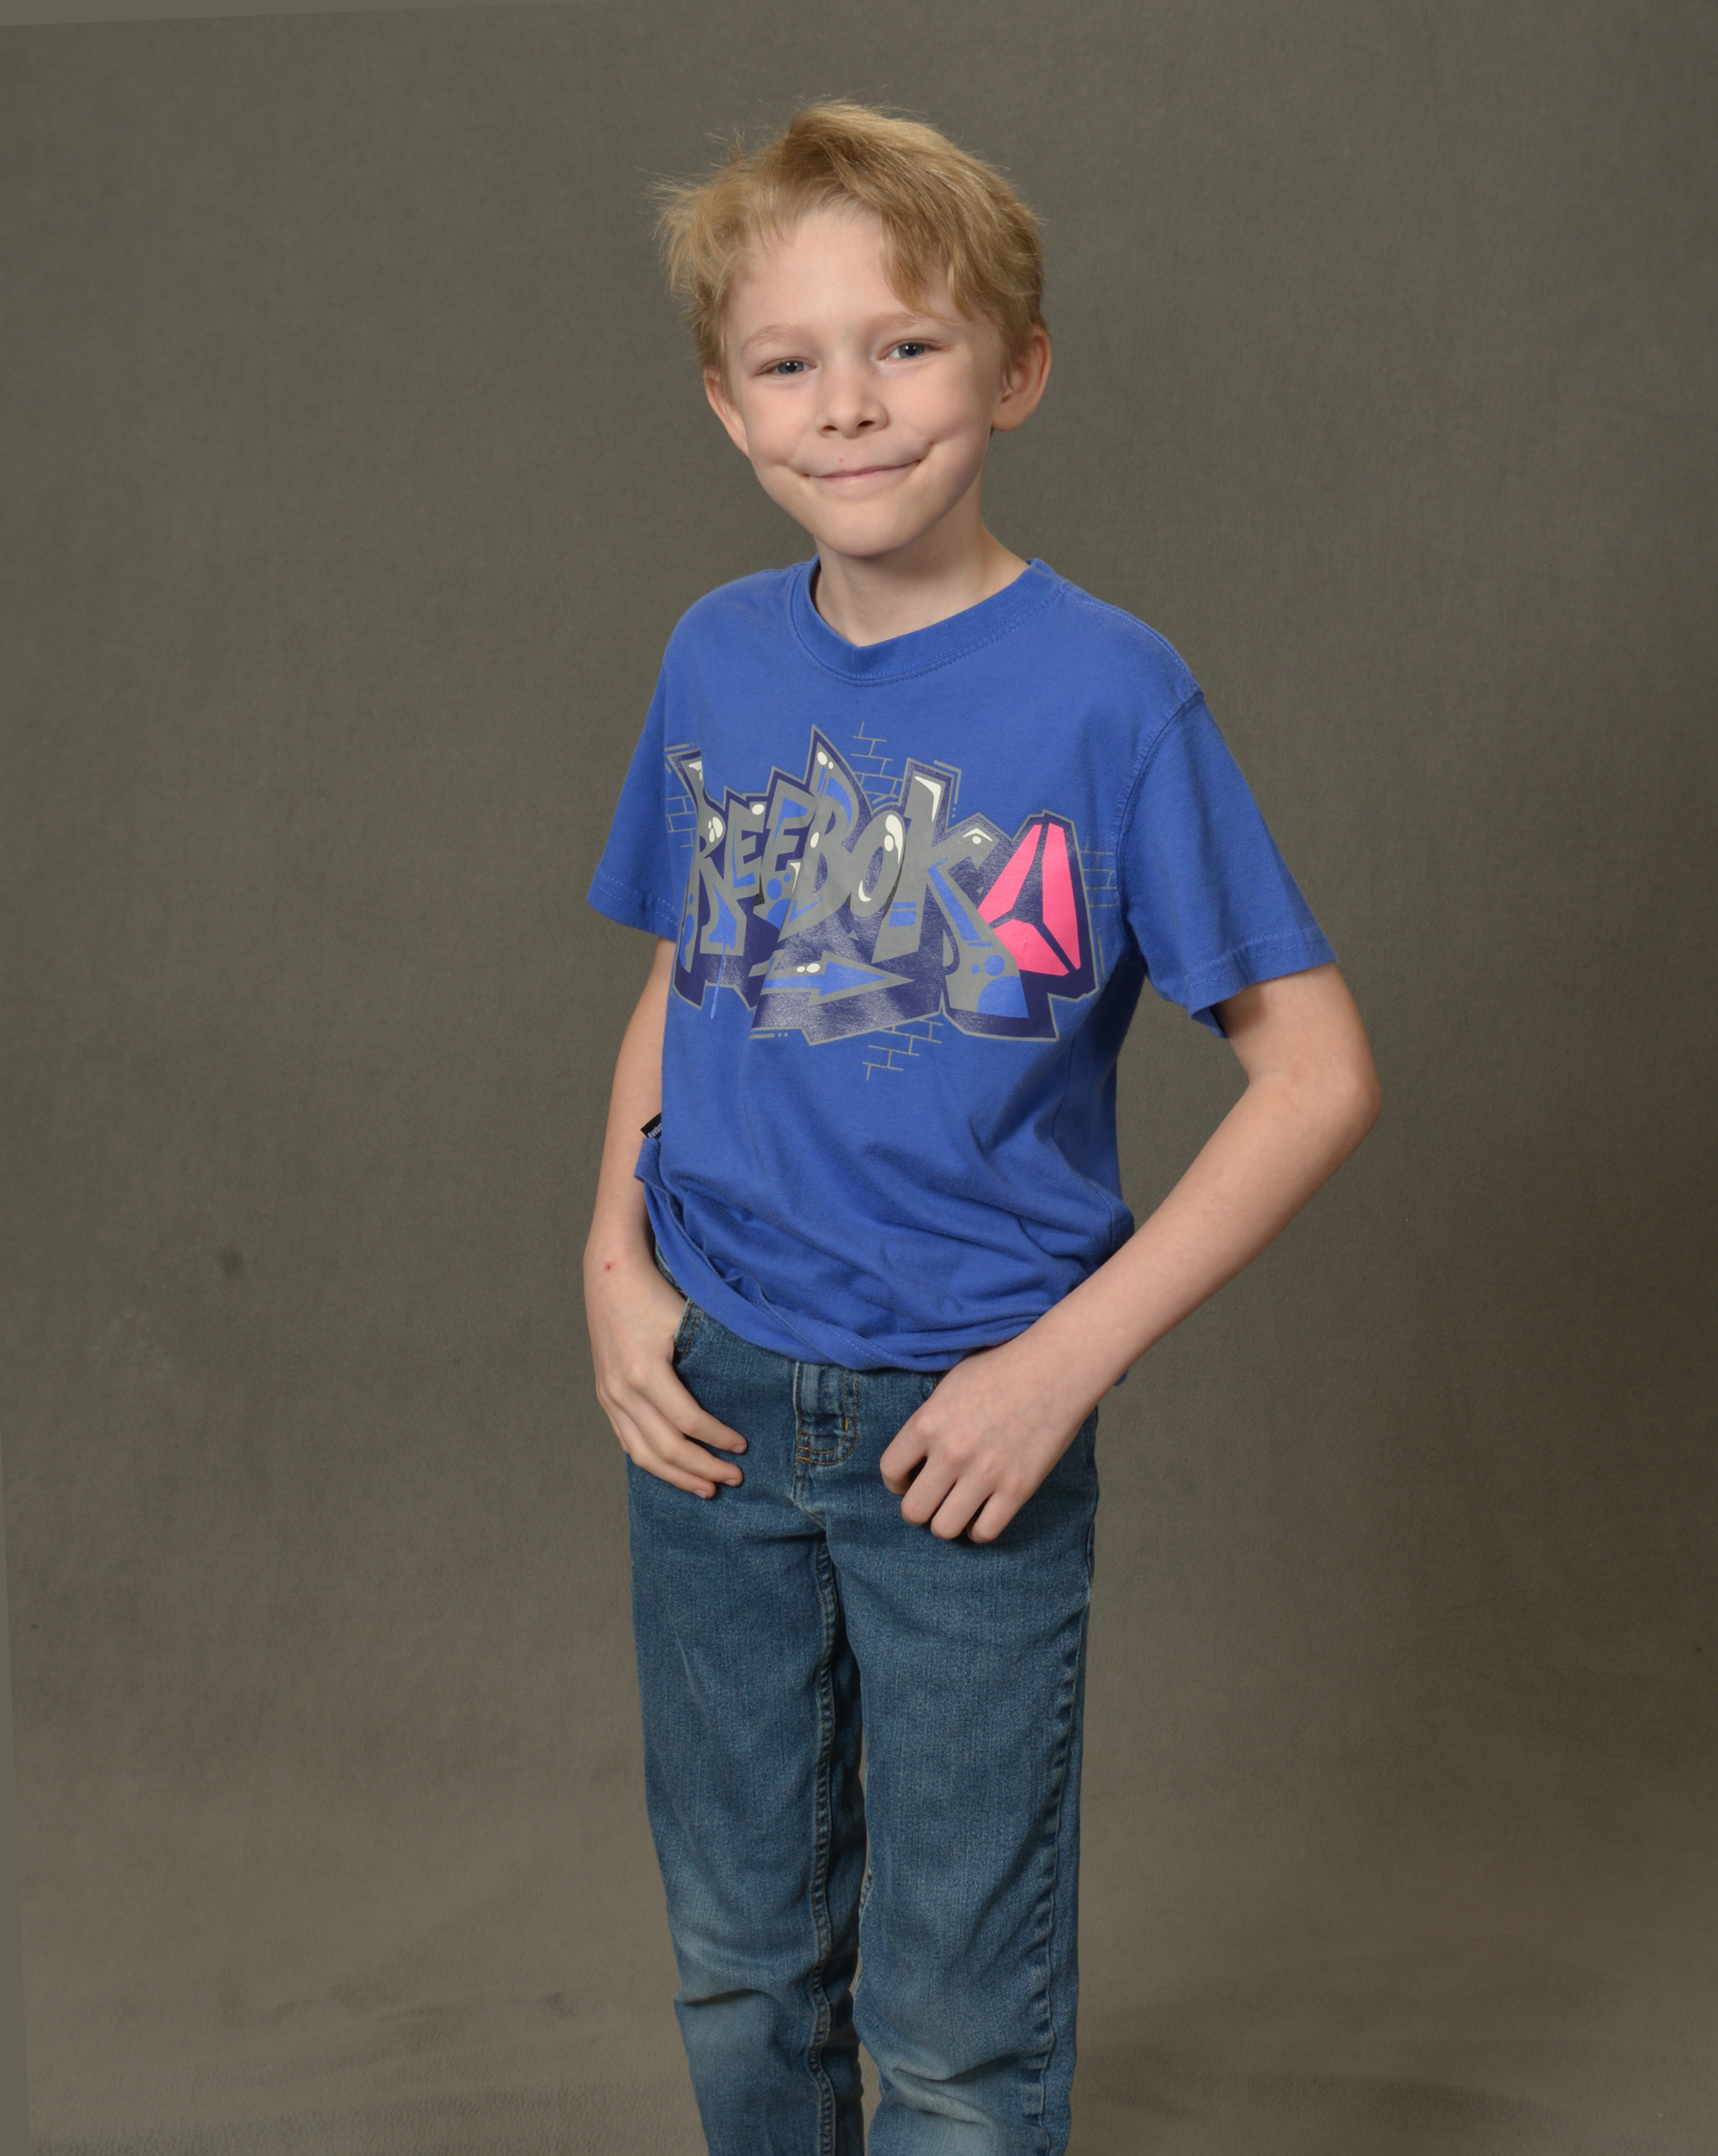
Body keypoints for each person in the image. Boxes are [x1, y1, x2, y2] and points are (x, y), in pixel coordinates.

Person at [582, 100, 1379, 2156]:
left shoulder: (1112, 696)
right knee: (743, 1962)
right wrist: (609, 1259)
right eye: (790, 360)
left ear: (1015, 371)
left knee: (953, 2023)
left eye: (907, 346)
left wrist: (1058, 1367)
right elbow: (692, 968)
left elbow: (1317, 1074)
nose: (848, 404)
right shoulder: (715, 656)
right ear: (725, 402)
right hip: (716, 1404)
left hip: (967, 1421)